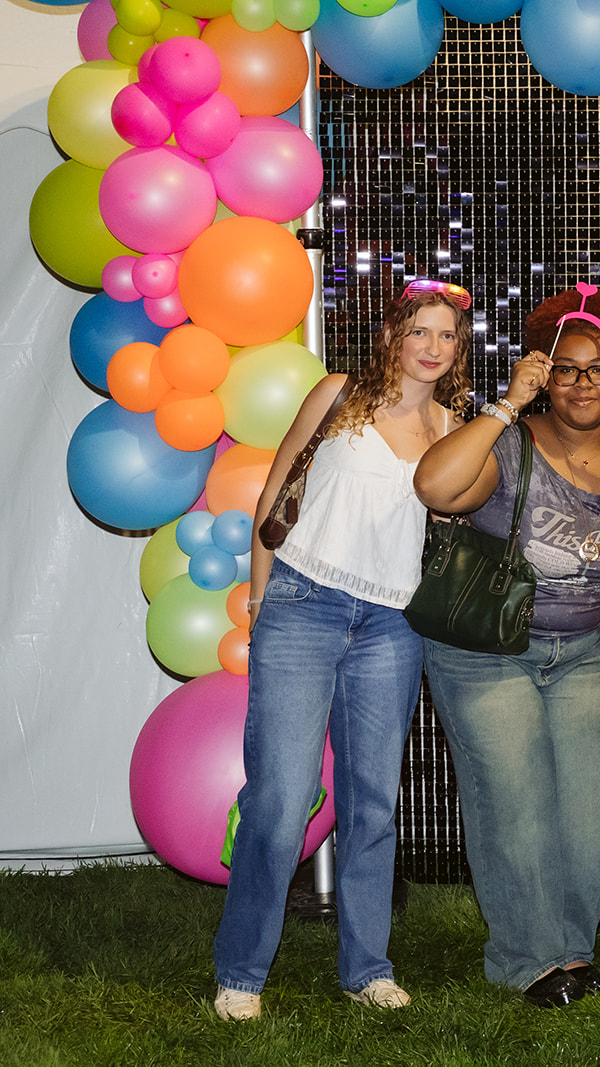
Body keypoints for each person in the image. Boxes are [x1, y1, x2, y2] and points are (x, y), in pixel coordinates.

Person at [411, 286, 600, 1008]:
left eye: (598, 369)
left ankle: (572, 950)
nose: (581, 384)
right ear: (545, 371)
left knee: (589, 808)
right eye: (567, 369)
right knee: (514, 800)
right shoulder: (514, 443)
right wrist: (508, 404)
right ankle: (527, 959)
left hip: (581, 651)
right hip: (487, 648)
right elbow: (436, 488)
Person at [212, 278, 474, 1021]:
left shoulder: (454, 428)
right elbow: (273, 491)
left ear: (458, 350)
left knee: (373, 804)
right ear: (392, 334)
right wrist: (263, 600)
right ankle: (240, 970)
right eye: (419, 330)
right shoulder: (338, 392)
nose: (432, 346)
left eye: (447, 335)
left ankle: (368, 967)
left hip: (393, 625)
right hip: (303, 603)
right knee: (281, 795)